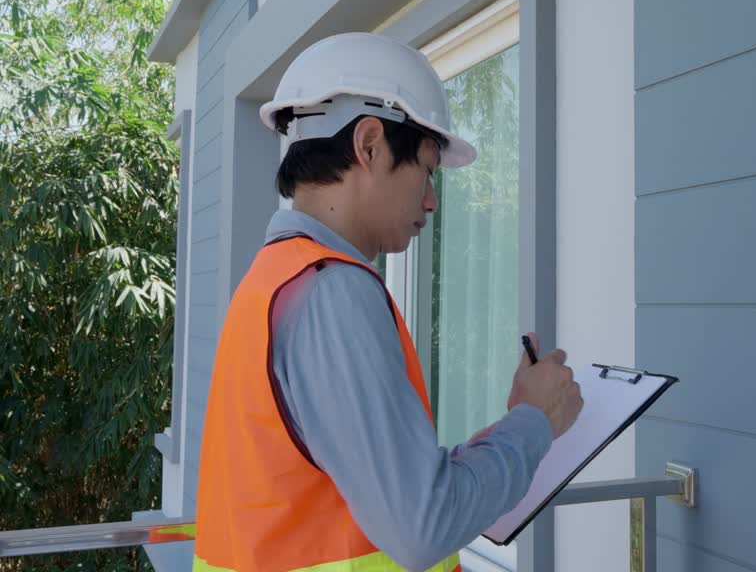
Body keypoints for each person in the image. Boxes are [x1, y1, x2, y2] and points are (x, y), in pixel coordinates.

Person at [192, 32, 583, 572]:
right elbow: (424, 527)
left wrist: (505, 433)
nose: (432, 200)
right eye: (427, 169)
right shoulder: (331, 290)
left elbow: (373, 489)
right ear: (370, 144)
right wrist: (536, 419)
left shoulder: (278, 278)